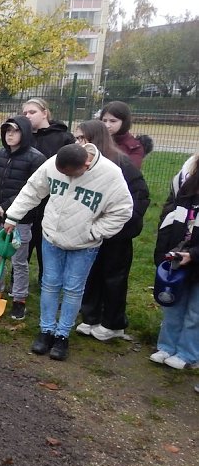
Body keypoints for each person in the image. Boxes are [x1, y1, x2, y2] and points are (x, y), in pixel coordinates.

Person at [4, 142, 132, 361]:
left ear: (86, 164)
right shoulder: (54, 164)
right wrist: (13, 216)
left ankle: (62, 336)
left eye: (72, 174)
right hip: (51, 237)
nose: (68, 177)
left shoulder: (111, 175)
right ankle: (46, 331)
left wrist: (94, 232)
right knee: (49, 284)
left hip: (84, 245)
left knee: (73, 289)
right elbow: (33, 189)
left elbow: (122, 210)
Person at [75, 120, 149, 341]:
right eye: (76, 138)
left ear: (94, 140)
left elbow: (139, 198)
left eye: (81, 138)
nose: (77, 142)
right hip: (91, 231)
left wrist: (119, 225)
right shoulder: (83, 165)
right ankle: (91, 317)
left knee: (114, 278)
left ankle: (113, 323)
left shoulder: (121, 164)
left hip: (117, 233)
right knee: (91, 274)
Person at [0, 116, 46, 321]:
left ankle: (19, 299)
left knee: (18, 260)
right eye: (7, 131)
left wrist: (5, 208)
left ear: (25, 133)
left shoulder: (36, 159)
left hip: (20, 220)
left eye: (15, 131)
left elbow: (30, 191)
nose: (10, 135)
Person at [150, 154, 199, 370]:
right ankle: (166, 346)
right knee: (173, 303)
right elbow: (172, 221)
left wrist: (195, 255)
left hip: (195, 259)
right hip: (178, 256)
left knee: (195, 312)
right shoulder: (188, 186)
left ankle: (188, 354)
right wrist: (166, 252)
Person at [23, 97, 75, 282]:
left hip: (53, 200)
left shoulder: (63, 137)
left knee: (47, 242)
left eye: (32, 112)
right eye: (25, 113)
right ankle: (18, 280)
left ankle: (48, 280)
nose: (28, 116)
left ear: (44, 112)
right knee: (24, 243)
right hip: (29, 198)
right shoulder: (24, 137)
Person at [100, 101, 146, 169]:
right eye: (104, 121)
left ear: (124, 122)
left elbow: (130, 171)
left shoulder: (134, 147)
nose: (107, 125)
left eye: (113, 121)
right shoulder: (94, 140)